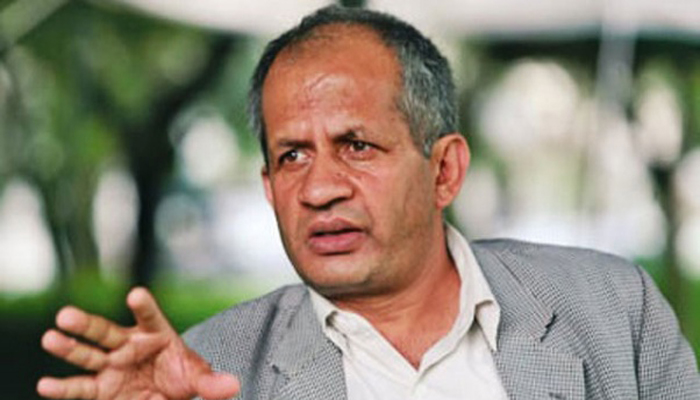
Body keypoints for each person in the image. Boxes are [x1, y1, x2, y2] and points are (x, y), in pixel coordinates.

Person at [38, 5, 699, 400]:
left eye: (355, 146)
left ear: (445, 170)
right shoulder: (212, 370)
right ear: (268, 188)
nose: (318, 189)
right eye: (292, 156)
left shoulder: (612, 309)